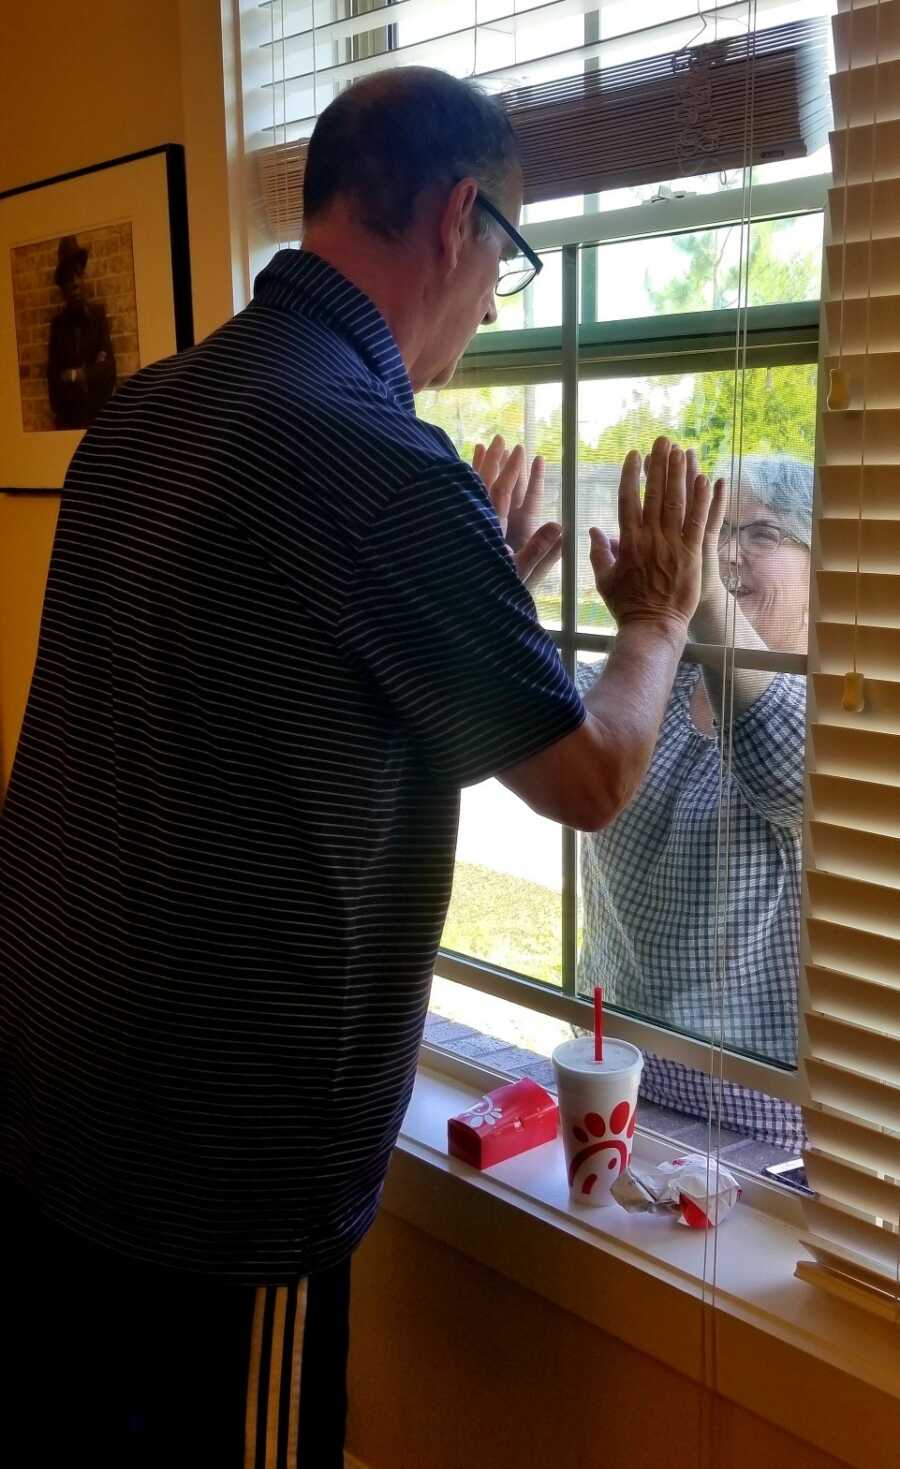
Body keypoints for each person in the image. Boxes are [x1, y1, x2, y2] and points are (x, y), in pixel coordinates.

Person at [0, 68, 715, 1467]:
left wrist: (466, 600)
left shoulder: (151, 413)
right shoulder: (374, 456)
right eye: (511, 257)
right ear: (459, 217)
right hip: (215, 1180)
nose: (501, 301)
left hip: (49, 1109)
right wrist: (659, 618)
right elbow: (592, 777)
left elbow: (269, 701)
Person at [578, 454, 813, 1151]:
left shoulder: (837, 707)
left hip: (752, 1126)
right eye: (718, 531)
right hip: (611, 1078)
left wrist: (703, 599)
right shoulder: (664, 685)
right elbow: (551, 726)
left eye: (762, 534)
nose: (729, 553)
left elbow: (789, 775)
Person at [46, 233, 117, 429]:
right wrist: (93, 370)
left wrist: (75, 375)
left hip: (100, 421)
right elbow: (54, 392)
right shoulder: (57, 326)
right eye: (69, 278)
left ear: (83, 279)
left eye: (78, 274)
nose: (75, 283)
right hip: (69, 424)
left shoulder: (98, 316)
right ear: (63, 287)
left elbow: (109, 372)